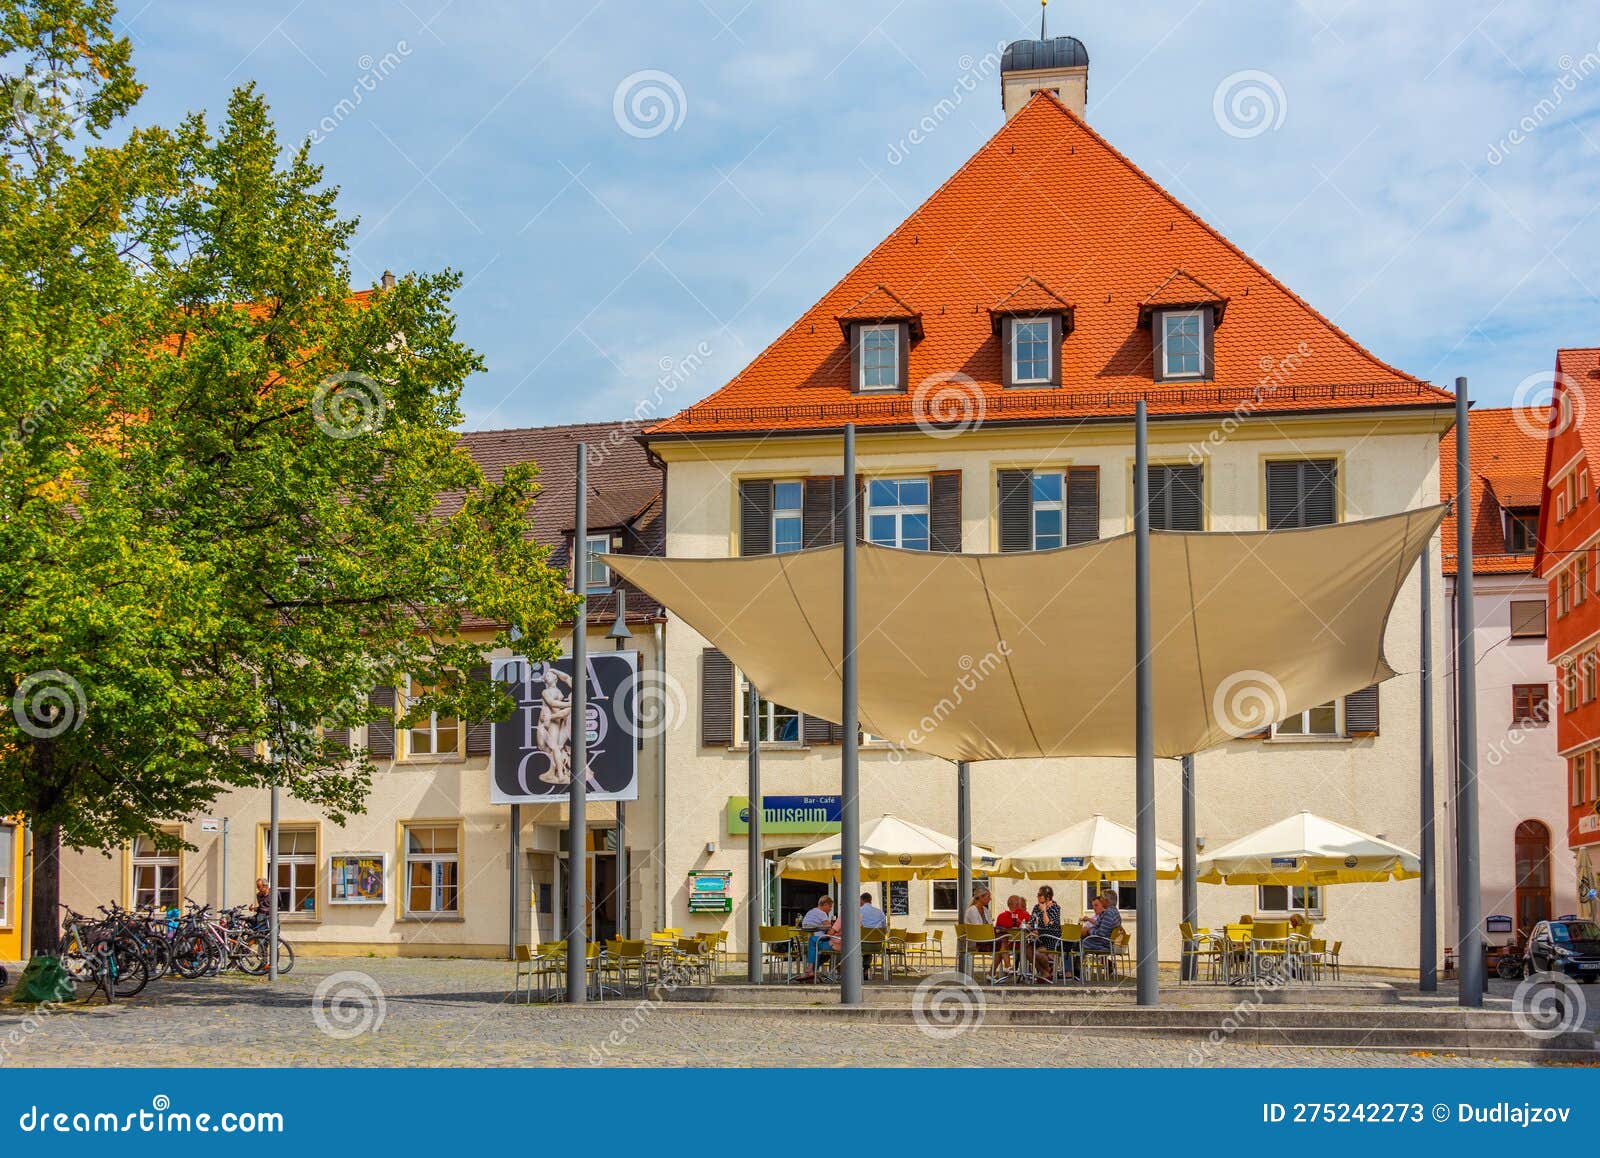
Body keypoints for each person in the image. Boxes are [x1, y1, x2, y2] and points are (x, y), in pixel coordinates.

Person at [1028, 885, 1063, 981]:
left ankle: (1047, 971)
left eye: (1040, 895)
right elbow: (1031, 922)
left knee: (1038, 953)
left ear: (1047, 897)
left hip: (1051, 939)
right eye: (1037, 895)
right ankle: (1045, 971)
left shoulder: (1055, 908)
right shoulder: (1036, 907)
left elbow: (1048, 925)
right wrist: (1027, 927)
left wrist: (1044, 911)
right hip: (1039, 938)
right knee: (1027, 951)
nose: (1038, 897)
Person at [1081, 889, 1123, 968]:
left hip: (1102, 944)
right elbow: (1101, 927)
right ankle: (1076, 971)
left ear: (1106, 900)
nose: (1100, 900)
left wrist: (1088, 931)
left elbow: (1101, 933)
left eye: (1101, 898)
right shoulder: (1115, 912)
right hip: (1106, 943)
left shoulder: (1109, 913)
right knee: (1076, 942)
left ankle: (1073, 972)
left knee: (1073, 943)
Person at [798, 895, 836, 982]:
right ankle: (813, 971)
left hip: (806, 940)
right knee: (824, 953)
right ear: (825, 904)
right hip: (818, 938)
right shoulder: (822, 913)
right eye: (830, 907)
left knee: (819, 950)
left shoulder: (811, 911)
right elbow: (829, 928)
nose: (830, 909)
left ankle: (811, 971)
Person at [993, 894, 1030, 977]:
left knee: (1002, 945)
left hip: (1006, 945)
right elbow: (1030, 928)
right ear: (1017, 904)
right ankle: (1007, 967)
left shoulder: (1001, 916)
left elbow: (997, 931)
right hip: (1022, 944)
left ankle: (1001, 969)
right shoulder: (1025, 915)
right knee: (1003, 944)